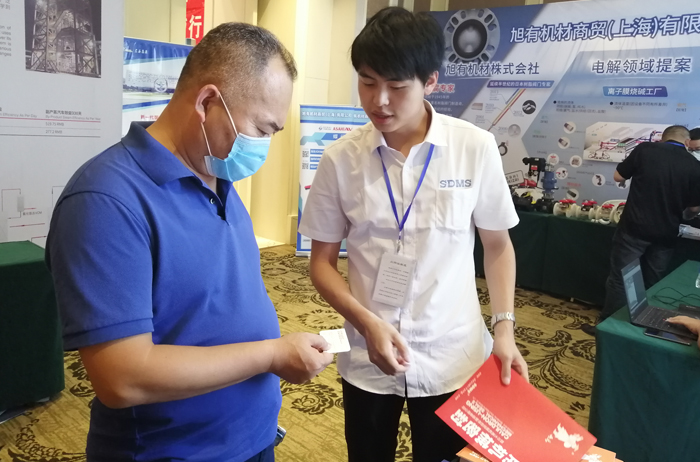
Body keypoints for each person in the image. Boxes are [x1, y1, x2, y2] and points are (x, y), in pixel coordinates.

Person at [46, 23, 333, 462]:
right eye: (262, 129)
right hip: (176, 451)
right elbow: (123, 378)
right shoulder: (105, 200)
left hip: (252, 436)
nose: (264, 146)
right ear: (206, 102)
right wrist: (271, 355)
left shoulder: (217, 175)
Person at [298, 8, 528, 462]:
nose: (379, 101)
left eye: (397, 86)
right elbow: (321, 264)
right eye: (367, 82)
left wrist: (504, 330)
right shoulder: (340, 159)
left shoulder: (473, 148)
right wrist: (366, 322)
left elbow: (498, 246)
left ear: (431, 82)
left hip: (452, 355)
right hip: (367, 355)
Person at [585, 125, 700, 333]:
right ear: (686, 142)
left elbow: (618, 177)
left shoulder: (645, 150)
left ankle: (609, 327)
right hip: (666, 233)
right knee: (653, 282)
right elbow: (694, 208)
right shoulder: (694, 164)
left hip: (634, 228)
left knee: (622, 279)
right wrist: (684, 215)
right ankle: (645, 329)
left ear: (663, 138)